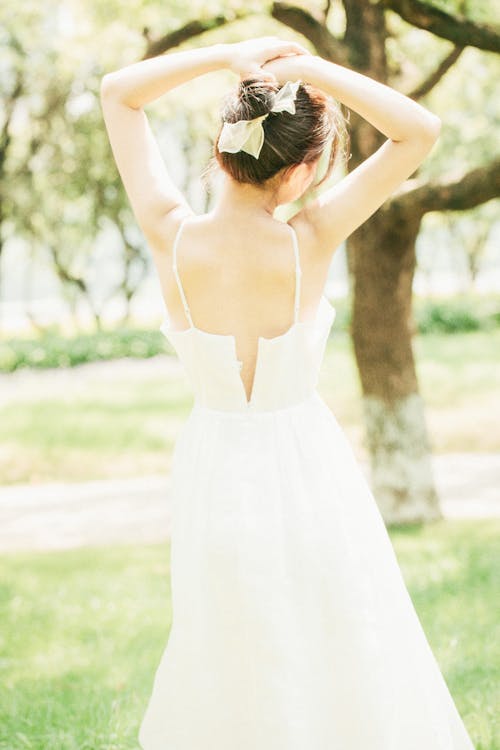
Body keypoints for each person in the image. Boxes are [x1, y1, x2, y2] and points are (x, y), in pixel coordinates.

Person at [100, 36, 476, 750]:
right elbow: (418, 131)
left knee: (227, 637)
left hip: (212, 464)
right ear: (302, 173)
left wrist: (226, 57)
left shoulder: (170, 236)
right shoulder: (314, 236)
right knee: (339, 629)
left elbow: (119, 91)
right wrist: (305, 70)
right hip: (306, 463)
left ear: (224, 149)